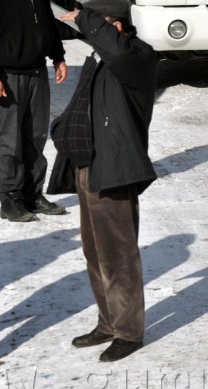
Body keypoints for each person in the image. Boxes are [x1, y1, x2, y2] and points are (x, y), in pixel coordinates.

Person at [57, 0, 157, 362]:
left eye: (96, 22)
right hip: (89, 165)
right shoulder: (101, 57)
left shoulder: (137, 57)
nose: (88, 29)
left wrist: (86, 18)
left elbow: (116, 50)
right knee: (95, 251)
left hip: (115, 168)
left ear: (114, 24)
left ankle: (129, 331)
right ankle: (108, 321)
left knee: (118, 254)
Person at [0, 0, 68, 222]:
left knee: (36, 136)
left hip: (37, 71)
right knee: (9, 140)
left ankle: (33, 194)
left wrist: (58, 55)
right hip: (6, 75)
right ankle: (11, 198)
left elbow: (46, 22)